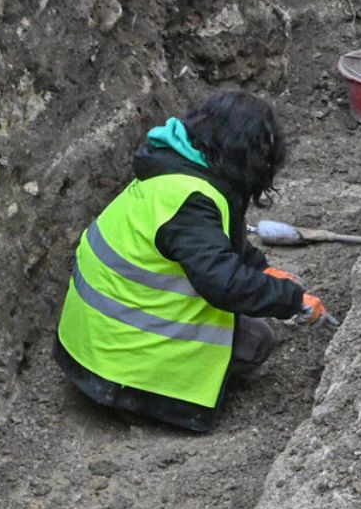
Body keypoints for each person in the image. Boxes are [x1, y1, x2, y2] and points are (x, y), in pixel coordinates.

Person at [55, 89, 326, 432]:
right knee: (257, 341)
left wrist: (261, 269)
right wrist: (290, 299)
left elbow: (215, 241)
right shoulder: (192, 203)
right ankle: (149, 402)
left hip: (91, 343)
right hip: (118, 366)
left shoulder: (173, 170)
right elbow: (223, 284)